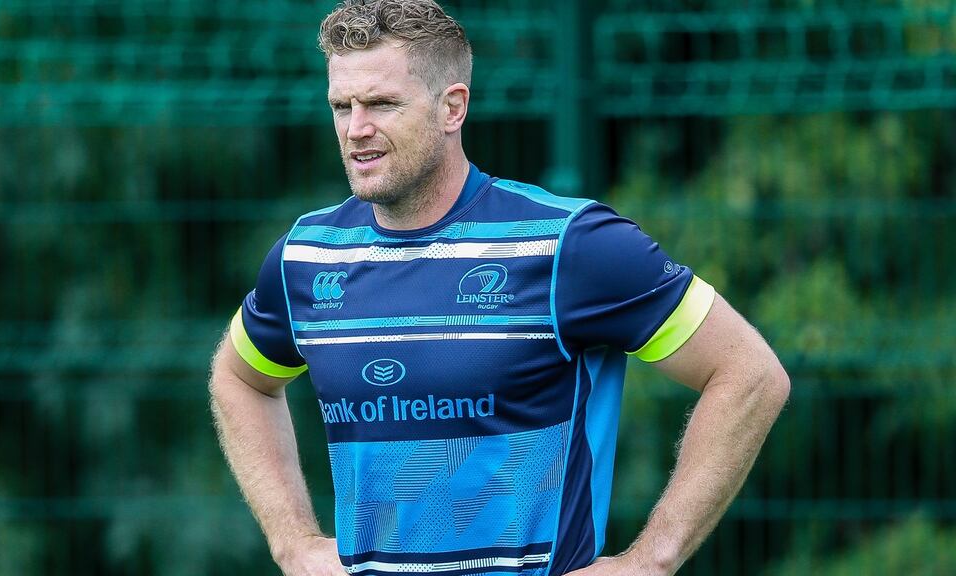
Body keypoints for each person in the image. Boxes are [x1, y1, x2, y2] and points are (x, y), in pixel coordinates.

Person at [209, 1, 790, 575]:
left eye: (382, 104)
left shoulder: (567, 245)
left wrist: (650, 561)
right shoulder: (307, 257)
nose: (356, 129)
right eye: (342, 106)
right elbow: (239, 379)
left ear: (452, 107)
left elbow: (748, 373)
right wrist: (293, 543)